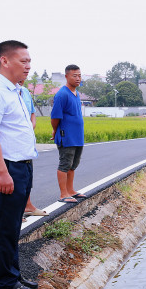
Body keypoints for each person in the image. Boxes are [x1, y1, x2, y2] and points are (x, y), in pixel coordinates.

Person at [0, 40, 39, 289]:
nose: (28, 66)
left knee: (13, 225)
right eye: (22, 61)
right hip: (6, 167)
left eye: (29, 62)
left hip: (20, 165)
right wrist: (2, 172)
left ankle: (13, 274)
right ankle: (5, 283)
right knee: (4, 227)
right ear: (5, 61)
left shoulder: (14, 90)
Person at [50, 64, 85, 203]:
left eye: (79, 75)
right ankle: (63, 194)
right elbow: (55, 117)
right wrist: (55, 130)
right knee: (65, 164)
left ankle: (70, 190)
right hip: (67, 136)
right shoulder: (62, 94)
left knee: (73, 164)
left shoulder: (76, 94)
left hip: (77, 136)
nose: (78, 78)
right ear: (66, 76)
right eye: (74, 76)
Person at [19, 79, 46, 219]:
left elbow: (32, 114)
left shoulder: (25, 92)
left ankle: (27, 206)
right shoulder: (1, 91)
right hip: (12, 141)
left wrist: (29, 127)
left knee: (26, 177)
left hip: (26, 140)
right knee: (14, 179)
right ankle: (15, 212)